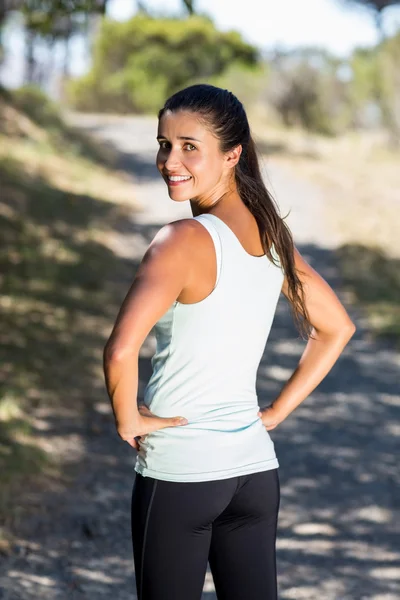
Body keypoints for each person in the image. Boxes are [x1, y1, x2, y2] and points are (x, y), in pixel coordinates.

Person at [103, 83, 356, 600]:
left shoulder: (181, 240)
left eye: (189, 146)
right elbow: (337, 328)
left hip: (183, 471)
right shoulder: (272, 238)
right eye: (163, 143)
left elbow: (120, 349)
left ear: (232, 154)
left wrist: (128, 418)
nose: (170, 160)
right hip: (254, 471)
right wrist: (276, 414)